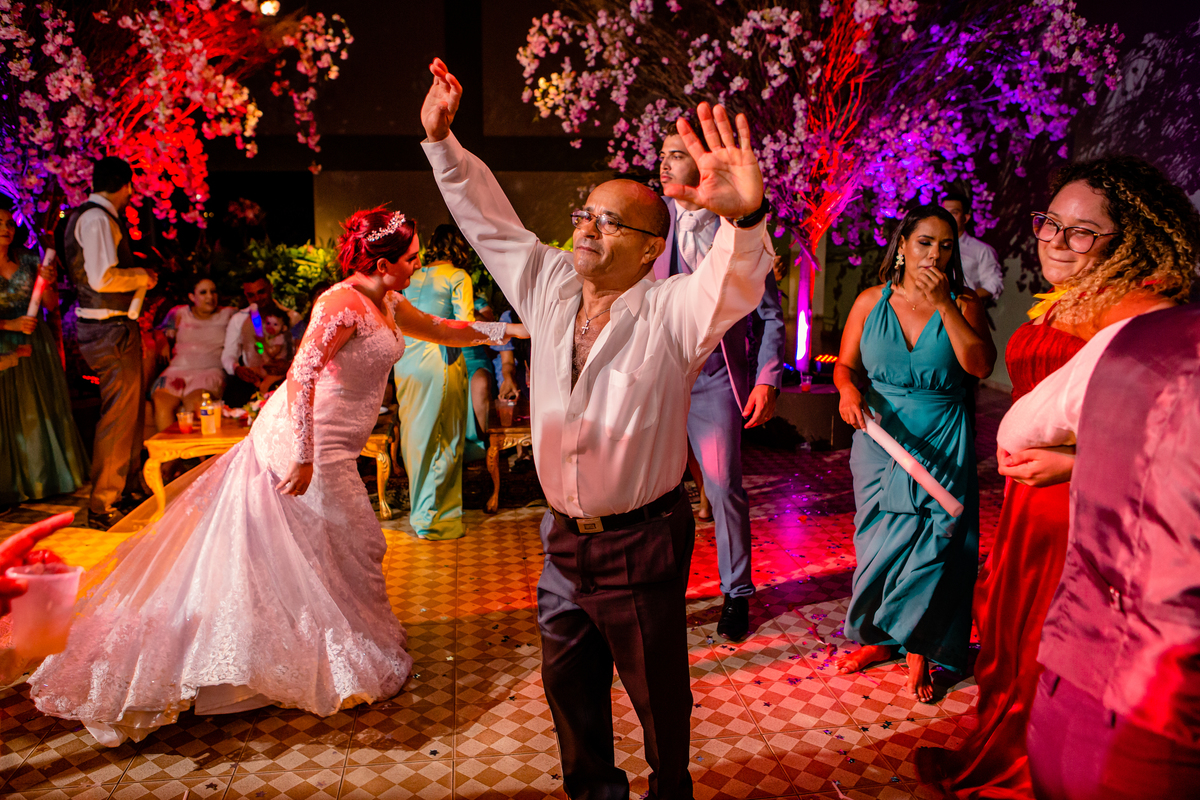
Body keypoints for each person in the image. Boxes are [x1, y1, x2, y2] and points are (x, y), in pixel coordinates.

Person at [28, 207, 522, 746]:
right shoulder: (340, 303)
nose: (418, 263)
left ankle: (307, 647)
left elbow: (448, 329)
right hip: (303, 445)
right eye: (411, 258)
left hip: (331, 448)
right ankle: (289, 656)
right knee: (336, 543)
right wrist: (303, 456)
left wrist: (513, 327)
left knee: (338, 549)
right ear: (383, 263)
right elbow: (302, 373)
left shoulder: (389, 300)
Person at [422, 57, 774, 800]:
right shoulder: (549, 284)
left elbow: (735, 283)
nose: (588, 227)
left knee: (657, 693)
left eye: (612, 222)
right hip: (561, 540)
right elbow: (489, 224)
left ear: (652, 248)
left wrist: (744, 219)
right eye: (586, 214)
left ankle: (668, 787)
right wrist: (444, 144)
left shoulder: (673, 310)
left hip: (643, 539)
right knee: (569, 691)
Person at [921, 156, 1200, 798]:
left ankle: (1039, 758)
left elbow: (1155, 439)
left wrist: (1073, 464)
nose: (1056, 242)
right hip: (1027, 503)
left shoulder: (1133, 323)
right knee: (1011, 629)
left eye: (1082, 232)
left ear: (1127, 243)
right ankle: (1015, 740)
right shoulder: (1060, 305)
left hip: (1082, 503)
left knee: (1057, 637)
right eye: (1052, 225)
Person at [994, 303, 1200, 798]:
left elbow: (1016, 430)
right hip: (1157, 706)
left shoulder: (1133, 335)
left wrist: (1077, 455)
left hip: (1088, 682)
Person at [833, 205, 995, 702]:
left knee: (933, 544)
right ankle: (880, 640)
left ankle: (920, 647)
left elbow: (982, 366)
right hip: (879, 439)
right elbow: (845, 365)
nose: (935, 254)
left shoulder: (964, 303)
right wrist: (846, 392)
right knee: (877, 544)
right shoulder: (868, 302)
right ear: (902, 245)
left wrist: (946, 305)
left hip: (941, 433)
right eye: (925, 242)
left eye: (946, 246)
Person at [655, 131, 785, 641]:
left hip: (714, 382)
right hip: (659, 379)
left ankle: (737, 593)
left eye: (676, 155)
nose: (664, 164)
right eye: (662, 155)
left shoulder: (740, 230)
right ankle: (662, 592)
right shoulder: (651, 222)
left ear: (703, 166)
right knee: (657, 495)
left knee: (724, 488)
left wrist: (768, 377)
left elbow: (771, 314)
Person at [63, 157, 157, 530]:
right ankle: (103, 502)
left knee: (128, 413)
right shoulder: (98, 218)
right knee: (118, 416)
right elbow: (102, 278)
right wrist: (142, 276)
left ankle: (127, 487)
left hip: (111, 327)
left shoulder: (88, 216)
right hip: (107, 329)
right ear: (126, 186)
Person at [0, 200, 90, 508]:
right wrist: (8, 323)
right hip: (3, 343)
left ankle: (43, 479)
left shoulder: (26, 259)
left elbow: (50, 304)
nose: (6, 229)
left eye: (9, 223)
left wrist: (49, 283)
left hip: (33, 343)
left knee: (36, 410)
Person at [393, 223, 475, 540]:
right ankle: (436, 519)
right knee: (445, 438)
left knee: (416, 439)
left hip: (407, 364)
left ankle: (420, 511)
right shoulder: (458, 277)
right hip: (440, 361)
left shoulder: (411, 278)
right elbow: (463, 327)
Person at [150, 277, 236, 431]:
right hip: (176, 371)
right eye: (203, 292)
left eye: (213, 291)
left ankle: (200, 454)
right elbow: (158, 330)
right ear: (192, 296)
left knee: (197, 403)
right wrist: (162, 339)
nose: (210, 297)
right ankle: (172, 454)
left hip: (208, 371)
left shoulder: (228, 314)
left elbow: (255, 322)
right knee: (161, 402)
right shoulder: (179, 313)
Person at [220, 271, 301, 408]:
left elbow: (303, 354)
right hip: (251, 378)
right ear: (246, 295)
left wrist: (289, 366)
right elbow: (228, 355)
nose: (257, 298)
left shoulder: (292, 317)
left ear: (271, 288)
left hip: (285, 377)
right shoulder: (239, 320)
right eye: (251, 295)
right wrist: (237, 369)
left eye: (261, 292)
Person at [941, 192, 1003, 302]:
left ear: (966, 217)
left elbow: (993, 284)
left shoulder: (981, 250)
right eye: (944, 212)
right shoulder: (931, 248)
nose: (948, 217)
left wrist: (963, 299)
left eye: (954, 212)